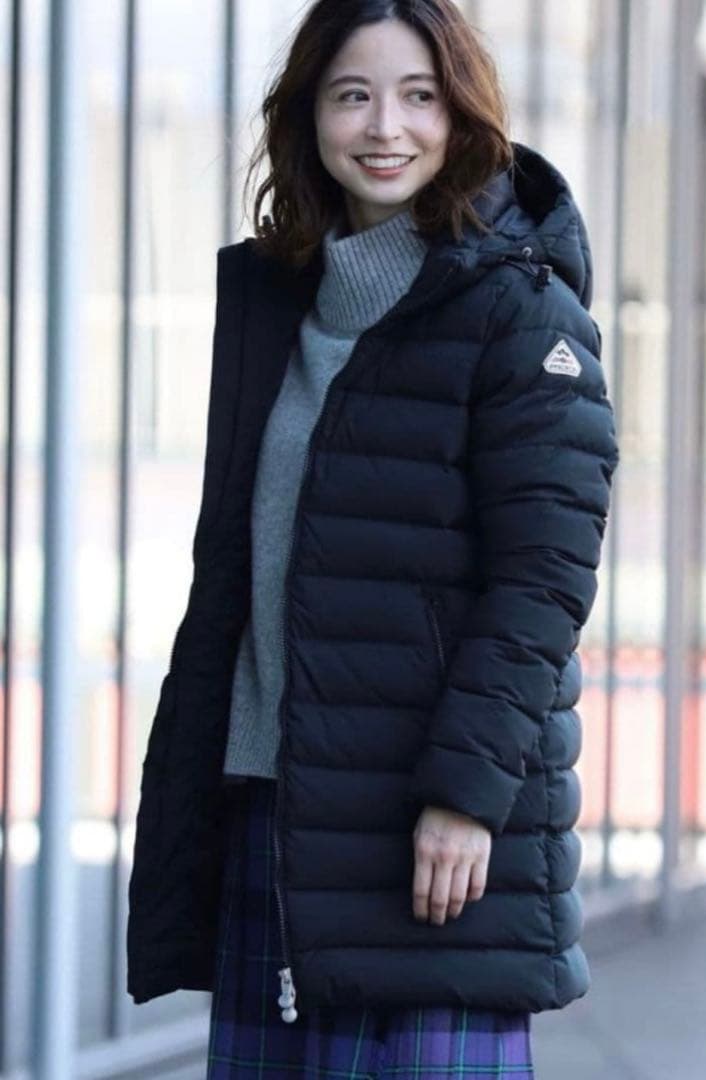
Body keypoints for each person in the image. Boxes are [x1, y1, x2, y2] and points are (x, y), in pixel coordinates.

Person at [126, 1, 620, 1076]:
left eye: (418, 96)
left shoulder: (520, 311)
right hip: (274, 809)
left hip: (429, 827)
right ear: (310, 117)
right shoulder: (280, 308)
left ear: (462, 116)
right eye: (353, 95)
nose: (384, 127)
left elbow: (541, 583)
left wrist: (464, 797)